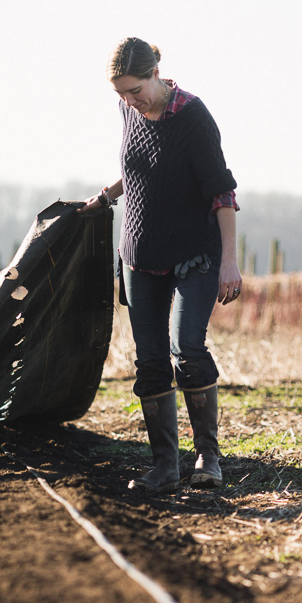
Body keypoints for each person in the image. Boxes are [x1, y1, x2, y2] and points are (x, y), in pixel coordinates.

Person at [79, 37, 241, 492]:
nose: (130, 101)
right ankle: (164, 467)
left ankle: (208, 457)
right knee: (150, 361)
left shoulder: (193, 116)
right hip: (140, 254)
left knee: (186, 348)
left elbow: (222, 193)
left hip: (195, 253)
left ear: (155, 74)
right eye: (121, 95)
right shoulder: (128, 110)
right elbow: (141, 169)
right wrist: (105, 196)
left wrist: (229, 262)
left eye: (135, 90)